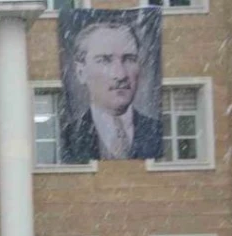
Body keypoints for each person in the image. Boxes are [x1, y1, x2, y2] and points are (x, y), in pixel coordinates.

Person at [63, 21, 163, 163]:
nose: (121, 75)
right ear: (81, 72)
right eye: (105, 60)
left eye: (129, 59)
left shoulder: (158, 132)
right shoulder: (66, 137)